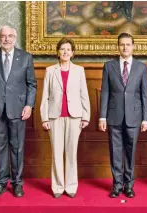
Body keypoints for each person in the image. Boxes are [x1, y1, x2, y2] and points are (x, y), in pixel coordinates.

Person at [0, 25, 37, 197]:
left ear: (15, 38)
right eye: (3, 36)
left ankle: (17, 183)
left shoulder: (26, 57)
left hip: (19, 109)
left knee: (17, 148)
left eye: (10, 36)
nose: (7, 39)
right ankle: (1, 182)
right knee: (0, 147)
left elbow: (31, 85)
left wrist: (29, 105)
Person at [99, 33, 147, 198]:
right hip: (114, 116)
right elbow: (105, 92)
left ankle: (129, 185)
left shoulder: (141, 67)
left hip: (134, 117)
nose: (125, 47)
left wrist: (146, 118)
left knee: (130, 151)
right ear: (118, 46)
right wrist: (102, 117)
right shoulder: (109, 66)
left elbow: (144, 95)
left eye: (128, 44)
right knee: (115, 151)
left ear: (133, 46)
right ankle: (116, 185)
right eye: (122, 44)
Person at [40, 37, 90, 198]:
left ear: (73, 53)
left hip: (75, 117)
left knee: (71, 152)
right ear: (58, 52)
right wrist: (44, 118)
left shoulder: (79, 70)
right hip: (54, 117)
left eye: (68, 49)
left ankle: (71, 186)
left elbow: (84, 95)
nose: (65, 52)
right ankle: (57, 187)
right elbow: (45, 97)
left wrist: (86, 116)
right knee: (56, 152)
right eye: (62, 49)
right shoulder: (50, 71)